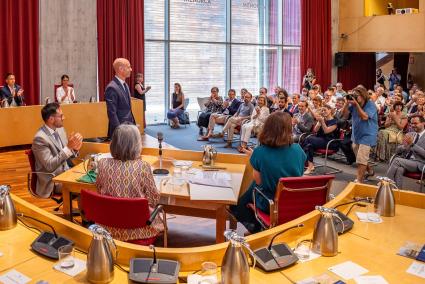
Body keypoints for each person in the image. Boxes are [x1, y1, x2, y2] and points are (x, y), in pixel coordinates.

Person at [229, 112, 306, 233]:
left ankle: (253, 225)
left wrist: (254, 158)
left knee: (250, 191)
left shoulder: (260, 152)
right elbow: (299, 174)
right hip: (293, 200)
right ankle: (257, 226)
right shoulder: (298, 149)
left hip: (270, 202)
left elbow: (259, 181)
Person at [96, 124, 163, 241]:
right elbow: (153, 199)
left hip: (108, 227)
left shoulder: (102, 164)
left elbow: (99, 189)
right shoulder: (142, 166)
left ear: (113, 143)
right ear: (136, 144)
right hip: (139, 229)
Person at [31, 103, 83, 198]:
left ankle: (84, 212)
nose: (64, 118)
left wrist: (74, 149)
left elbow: (67, 155)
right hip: (53, 181)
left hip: (67, 173)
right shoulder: (40, 138)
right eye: (61, 116)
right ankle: (81, 211)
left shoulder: (60, 129)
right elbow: (50, 166)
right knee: (83, 188)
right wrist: (68, 148)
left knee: (90, 180)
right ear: (51, 119)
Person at [342, 86, 379, 183]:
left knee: (361, 158)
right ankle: (370, 170)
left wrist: (356, 104)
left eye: (356, 96)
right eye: (353, 95)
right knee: (360, 157)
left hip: (368, 134)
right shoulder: (353, 104)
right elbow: (344, 116)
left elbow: (364, 117)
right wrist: (346, 103)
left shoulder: (370, 105)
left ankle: (359, 180)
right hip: (356, 135)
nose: (354, 97)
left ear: (363, 95)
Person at [386, 115, 425, 189]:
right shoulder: (410, 134)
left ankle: (386, 185)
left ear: (423, 123)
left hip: (420, 163)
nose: (413, 126)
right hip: (406, 161)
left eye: (415, 123)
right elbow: (397, 150)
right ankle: (397, 193)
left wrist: (412, 145)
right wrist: (404, 147)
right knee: (399, 170)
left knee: (397, 160)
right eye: (412, 123)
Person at [302, 104, 340, 175]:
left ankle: (303, 163)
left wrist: (322, 122)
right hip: (320, 140)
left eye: (325, 110)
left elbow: (326, 131)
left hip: (330, 142)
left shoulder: (335, 122)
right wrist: (319, 123)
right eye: (322, 110)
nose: (323, 112)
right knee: (309, 145)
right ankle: (310, 166)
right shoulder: (322, 120)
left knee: (308, 139)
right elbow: (315, 131)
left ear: (330, 110)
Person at [105, 58, 136, 138]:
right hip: (120, 131)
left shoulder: (125, 85)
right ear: (121, 69)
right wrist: (119, 131)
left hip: (129, 128)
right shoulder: (112, 87)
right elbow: (112, 113)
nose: (131, 69)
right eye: (129, 67)